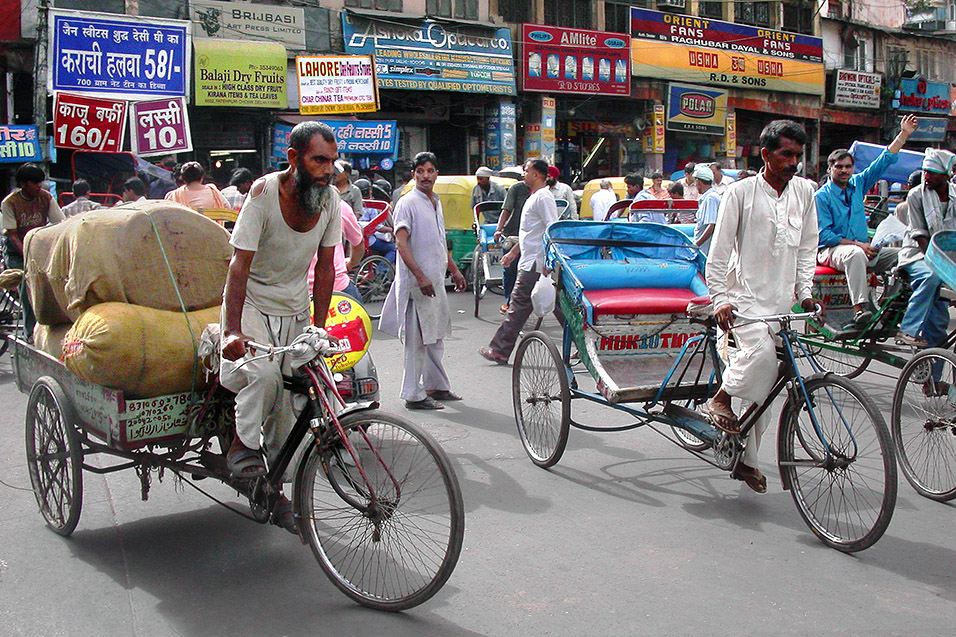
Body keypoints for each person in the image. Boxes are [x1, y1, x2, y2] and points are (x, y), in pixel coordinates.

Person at [219, 121, 342, 533]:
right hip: (252, 302)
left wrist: (319, 328)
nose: (328, 169)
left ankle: (274, 488)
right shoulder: (263, 193)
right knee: (266, 376)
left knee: (305, 388)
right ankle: (241, 445)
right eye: (318, 160)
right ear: (294, 159)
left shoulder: (331, 201)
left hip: (294, 307)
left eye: (331, 161)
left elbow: (325, 268)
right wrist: (232, 330)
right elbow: (240, 265)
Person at [703, 120, 818, 494]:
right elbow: (718, 252)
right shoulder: (739, 193)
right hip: (745, 301)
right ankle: (720, 398)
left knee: (769, 386)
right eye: (786, 154)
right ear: (766, 154)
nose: (793, 162)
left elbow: (806, 249)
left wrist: (805, 292)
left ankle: (746, 461)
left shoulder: (804, 192)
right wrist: (720, 299)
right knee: (764, 362)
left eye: (798, 156)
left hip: (784, 304)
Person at [379, 152, 467, 410]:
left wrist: (455, 270)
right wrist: (419, 276)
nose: (426, 176)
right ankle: (413, 395)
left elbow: (439, 242)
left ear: (436, 173)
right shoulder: (408, 203)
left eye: (430, 171)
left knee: (435, 337)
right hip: (417, 286)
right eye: (421, 171)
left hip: (435, 283)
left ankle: (436, 386)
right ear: (414, 174)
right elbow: (401, 242)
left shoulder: (434, 202)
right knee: (416, 342)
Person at [815, 114, 918, 327]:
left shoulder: (858, 183)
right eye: (839, 167)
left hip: (864, 249)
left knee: (906, 254)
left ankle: (890, 304)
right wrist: (859, 245)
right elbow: (824, 235)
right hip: (832, 251)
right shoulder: (821, 196)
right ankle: (859, 308)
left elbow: (882, 163)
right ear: (830, 169)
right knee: (854, 254)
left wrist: (903, 135)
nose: (844, 171)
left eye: (848, 167)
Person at [479, 158, 561, 365]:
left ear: (536, 175)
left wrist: (549, 260)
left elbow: (552, 229)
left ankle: (500, 350)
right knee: (557, 306)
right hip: (530, 259)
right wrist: (514, 252)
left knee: (518, 306)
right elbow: (532, 233)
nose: (523, 174)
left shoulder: (543, 198)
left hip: (536, 263)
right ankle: (581, 344)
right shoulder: (533, 197)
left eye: (526, 171)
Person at [895, 148, 956, 348]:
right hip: (917, 256)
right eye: (925, 172)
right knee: (932, 276)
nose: (926, 176)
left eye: (931, 172)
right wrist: (942, 268)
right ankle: (908, 329)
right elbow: (920, 234)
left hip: (947, 258)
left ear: (946, 175)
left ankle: (932, 379)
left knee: (938, 326)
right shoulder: (916, 195)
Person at [1, 163, 65, 341]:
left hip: (38, 246)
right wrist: (29, 255)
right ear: (23, 184)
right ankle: (30, 332)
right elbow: (13, 237)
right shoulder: (10, 203)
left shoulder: (45, 197)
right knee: (28, 289)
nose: (39, 186)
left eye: (40, 182)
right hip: (16, 250)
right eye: (34, 183)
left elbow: (60, 224)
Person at [495, 174, 531, 314]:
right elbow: (506, 209)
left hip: (532, 237)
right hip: (513, 232)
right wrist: (499, 229)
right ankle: (509, 300)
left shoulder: (543, 193)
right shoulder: (517, 189)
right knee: (510, 269)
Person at [164, 162, 230, 211]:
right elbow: (227, 209)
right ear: (202, 177)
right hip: (211, 229)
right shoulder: (214, 192)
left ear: (183, 178)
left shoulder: (173, 195)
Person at [692, 164, 720, 256]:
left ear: (698, 181)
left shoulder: (710, 198)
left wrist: (696, 244)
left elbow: (711, 226)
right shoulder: (707, 197)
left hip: (706, 251)